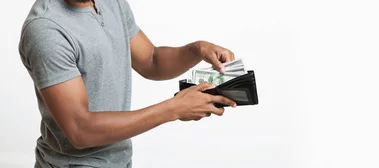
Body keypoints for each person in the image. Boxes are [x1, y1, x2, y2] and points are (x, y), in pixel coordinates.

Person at [19, 0, 238, 167]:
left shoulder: (110, 3)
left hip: (119, 160)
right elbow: (80, 129)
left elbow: (151, 60)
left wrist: (197, 49)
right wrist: (174, 109)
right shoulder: (46, 29)